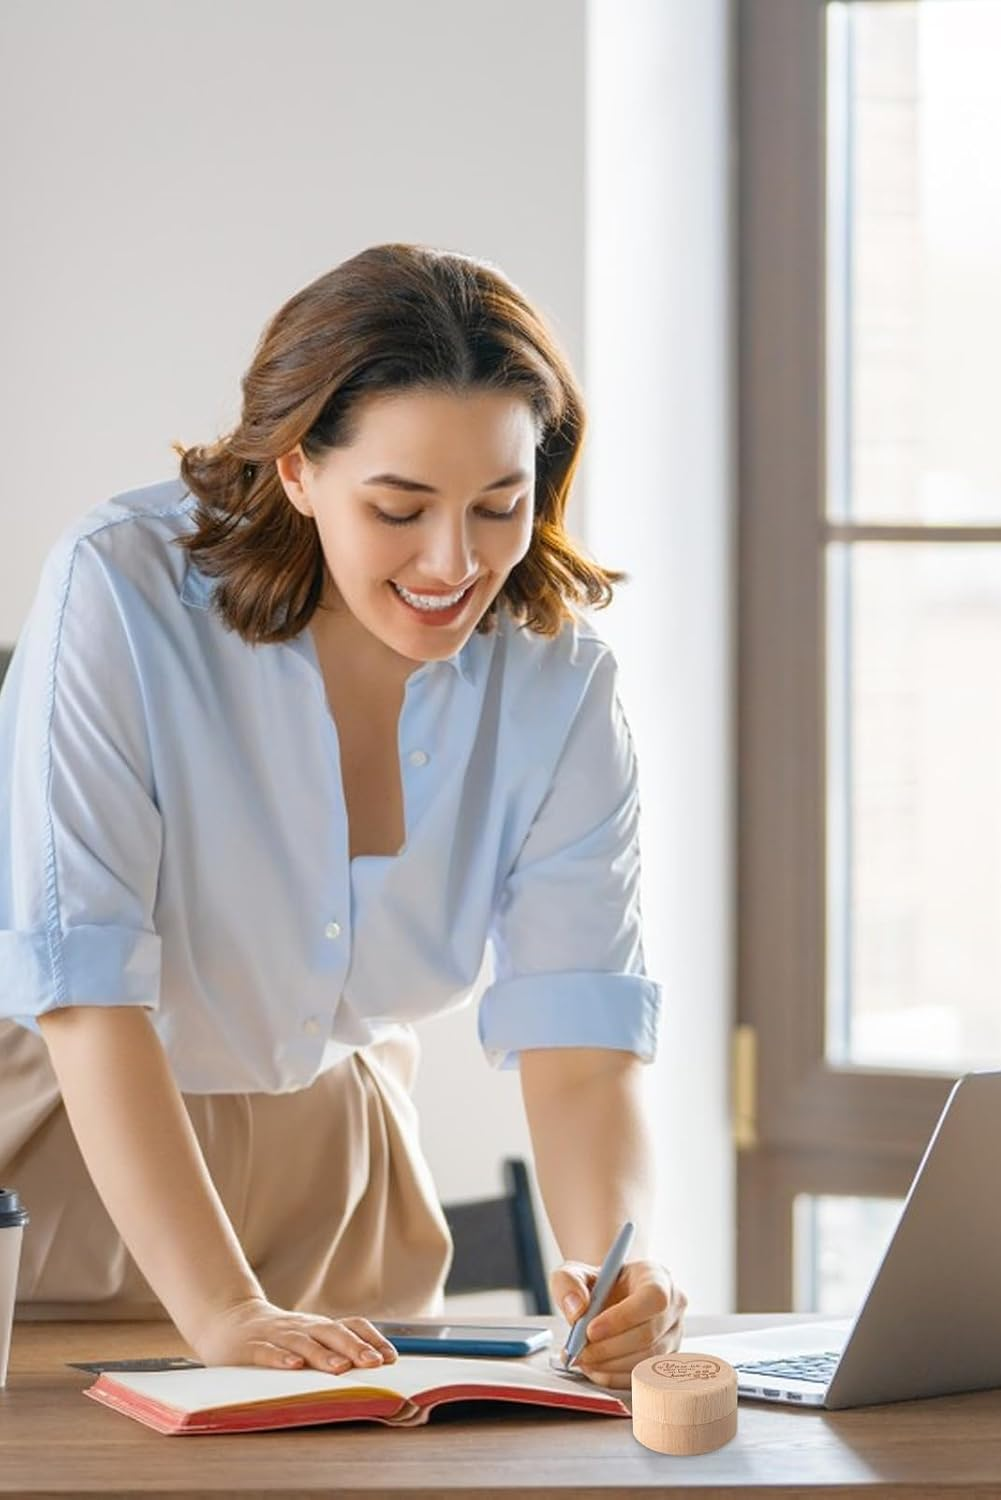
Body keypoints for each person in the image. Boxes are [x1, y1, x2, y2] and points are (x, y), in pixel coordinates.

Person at [0, 242, 686, 1390]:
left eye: (499, 505)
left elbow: (579, 1037)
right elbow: (89, 995)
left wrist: (614, 1268)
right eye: (400, 507)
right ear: (295, 470)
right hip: (73, 1147)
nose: (453, 560)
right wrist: (223, 1311)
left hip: (347, 1175)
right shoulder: (119, 592)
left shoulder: (560, 683)